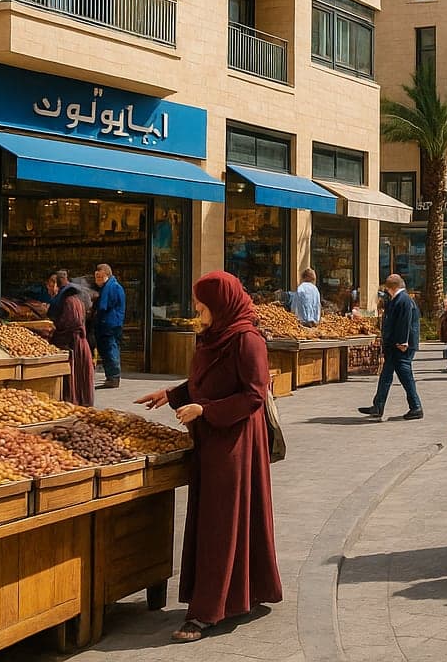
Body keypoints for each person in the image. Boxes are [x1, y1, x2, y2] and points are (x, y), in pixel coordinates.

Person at [137, 271, 282, 642]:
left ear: (221, 305)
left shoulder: (247, 340)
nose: (199, 313)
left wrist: (205, 410)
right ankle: (237, 595)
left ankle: (207, 612)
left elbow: (252, 395)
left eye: (203, 307)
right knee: (214, 522)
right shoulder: (215, 336)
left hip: (234, 445)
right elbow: (205, 381)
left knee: (222, 524)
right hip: (211, 442)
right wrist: (173, 395)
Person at [359, 275, 422, 421]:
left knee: (405, 376)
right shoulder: (399, 299)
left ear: (391, 288)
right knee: (386, 375)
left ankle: (416, 407)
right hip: (395, 345)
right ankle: (378, 406)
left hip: (400, 346)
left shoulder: (403, 300)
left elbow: (404, 322)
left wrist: (403, 342)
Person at [47, 272, 94, 406]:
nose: (50, 290)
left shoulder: (69, 301)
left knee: (76, 377)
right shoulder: (73, 299)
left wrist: (55, 333)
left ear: (57, 285)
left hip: (75, 343)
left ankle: (77, 404)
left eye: (51, 286)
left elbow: (71, 322)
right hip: (76, 341)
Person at [90, 264, 126, 389]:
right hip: (107, 324)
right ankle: (111, 377)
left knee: (110, 350)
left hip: (110, 325)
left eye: (99, 277)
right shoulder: (110, 286)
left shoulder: (111, 287)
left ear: (106, 275)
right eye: (96, 277)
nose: (97, 280)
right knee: (107, 350)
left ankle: (113, 377)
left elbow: (103, 307)